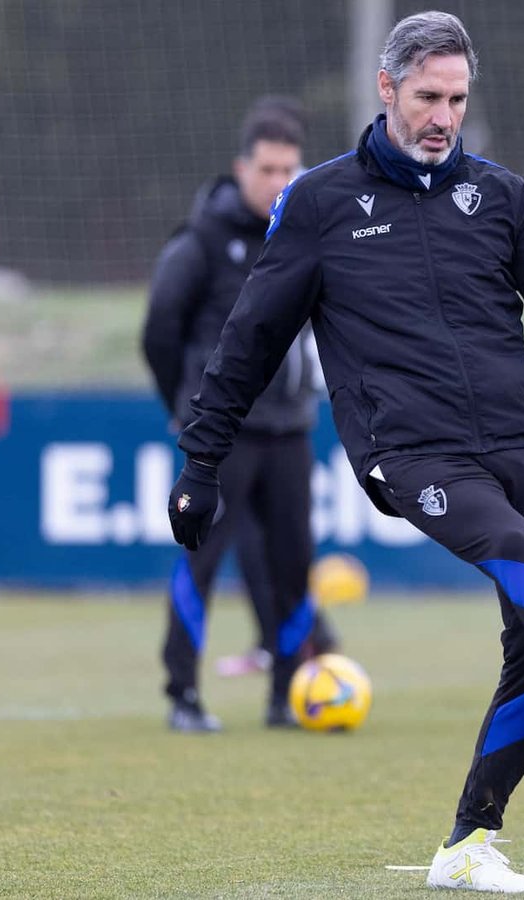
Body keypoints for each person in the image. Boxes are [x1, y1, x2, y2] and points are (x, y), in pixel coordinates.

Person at [165, 11, 524, 893]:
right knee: (519, 556)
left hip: (521, 440)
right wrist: (201, 463)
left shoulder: (504, 197)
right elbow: (248, 342)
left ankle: (468, 845)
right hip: (411, 453)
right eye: (426, 97)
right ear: (387, 90)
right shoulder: (319, 203)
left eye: (456, 99)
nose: (441, 116)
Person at [142, 100, 336, 732]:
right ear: (241, 168)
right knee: (200, 561)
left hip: (290, 432)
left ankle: (286, 696)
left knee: (292, 565)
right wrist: (187, 408)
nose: (278, 181)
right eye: (267, 168)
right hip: (220, 441)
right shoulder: (201, 239)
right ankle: (183, 696)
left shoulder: (306, 236)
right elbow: (159, 331)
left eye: (289, 169)